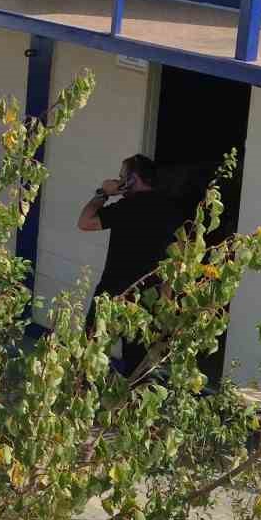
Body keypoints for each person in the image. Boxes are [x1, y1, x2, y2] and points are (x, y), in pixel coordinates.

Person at [77, 154, 188, 378]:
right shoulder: (171, 210)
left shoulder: (127, 207)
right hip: (147, 300)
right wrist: (167, 299)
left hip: (112, 294)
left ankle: (81, 393)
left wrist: (103, 193)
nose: (118, 181)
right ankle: (131, 398)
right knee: (138, 369)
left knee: (89, 354)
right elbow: (179, 257)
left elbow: (85, 222)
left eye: (122, 177)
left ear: (133, 179)